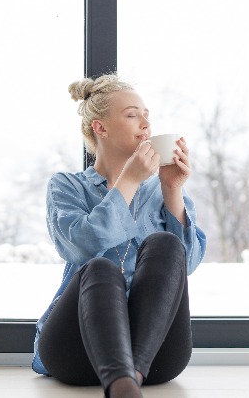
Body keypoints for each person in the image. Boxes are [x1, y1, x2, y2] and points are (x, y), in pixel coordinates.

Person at [32, 74, 207, 398]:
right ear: (100, 128)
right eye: (132, 114)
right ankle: (124, 382)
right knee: (99, 267)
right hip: (76, 351)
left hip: (155, 355)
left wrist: (172, 189)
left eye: (146, 114)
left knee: (166, 243)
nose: (145, 123)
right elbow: (82, 245)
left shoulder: (162, 190)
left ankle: (128, 378)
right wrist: (127, 181)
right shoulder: (68, 186)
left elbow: (185, 267)